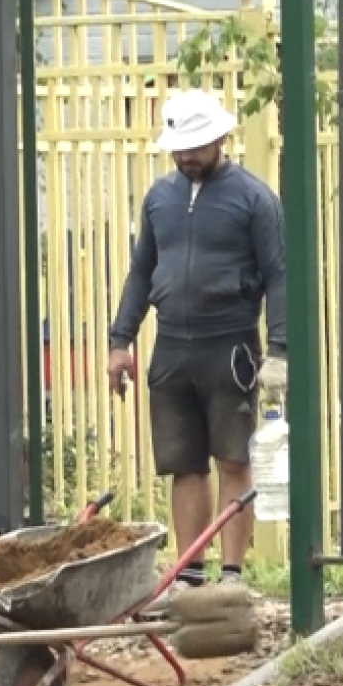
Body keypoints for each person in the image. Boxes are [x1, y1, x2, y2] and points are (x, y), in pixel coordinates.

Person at [105, 88, 287, 609]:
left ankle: (232, 575)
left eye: (195, 147)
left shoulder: (254, 199)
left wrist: (279, 350)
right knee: (184, 465)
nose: (185, 157)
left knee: (234, 459)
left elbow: (278, 275)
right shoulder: (159, 199)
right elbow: (142, 271)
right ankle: (190, 575)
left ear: (220, 138)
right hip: (171, 350)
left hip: (230, 347)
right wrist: (121, 341)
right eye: (178, 148)